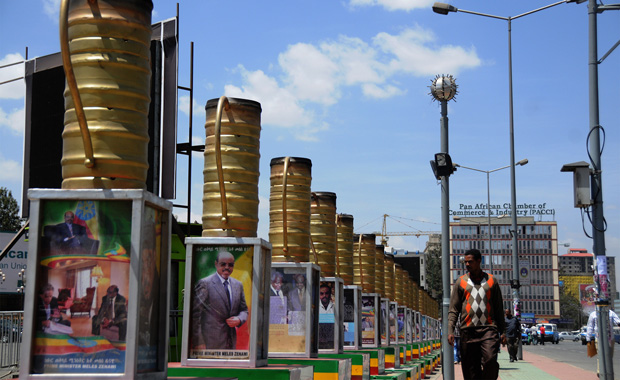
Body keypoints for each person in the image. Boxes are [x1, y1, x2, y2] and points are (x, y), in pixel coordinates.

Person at [448, 249, 506, 380]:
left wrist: (503, 331)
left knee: (490, 360)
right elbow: (454, 309)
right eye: (465, 262)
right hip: (467, 331)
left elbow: (498, 308)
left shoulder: (492, 281)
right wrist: (450, 330)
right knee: (470, 370)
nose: (467, 264)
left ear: (479, 261)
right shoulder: (461, 282)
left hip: (488, 330)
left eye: (470, 262)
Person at [192, 250, 248, 350]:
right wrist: (199, 342)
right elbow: (195, 315)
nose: (227, 267)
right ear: (216, 264)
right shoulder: (205, 283)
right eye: (223, 264)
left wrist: (239, 319)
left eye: (230, 265)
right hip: (210, 343)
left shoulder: (238, 285)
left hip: (231, 343)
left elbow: (244, 310)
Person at [586, 309, 620, 377]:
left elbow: (618, 321)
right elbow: (590, 326)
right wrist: (588, 338)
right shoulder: (593, 314)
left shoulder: (611, 313)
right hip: (599, 339)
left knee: (609, 356)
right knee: (600, 355)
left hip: (610, 339)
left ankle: (609, 372)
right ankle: (600, 372)